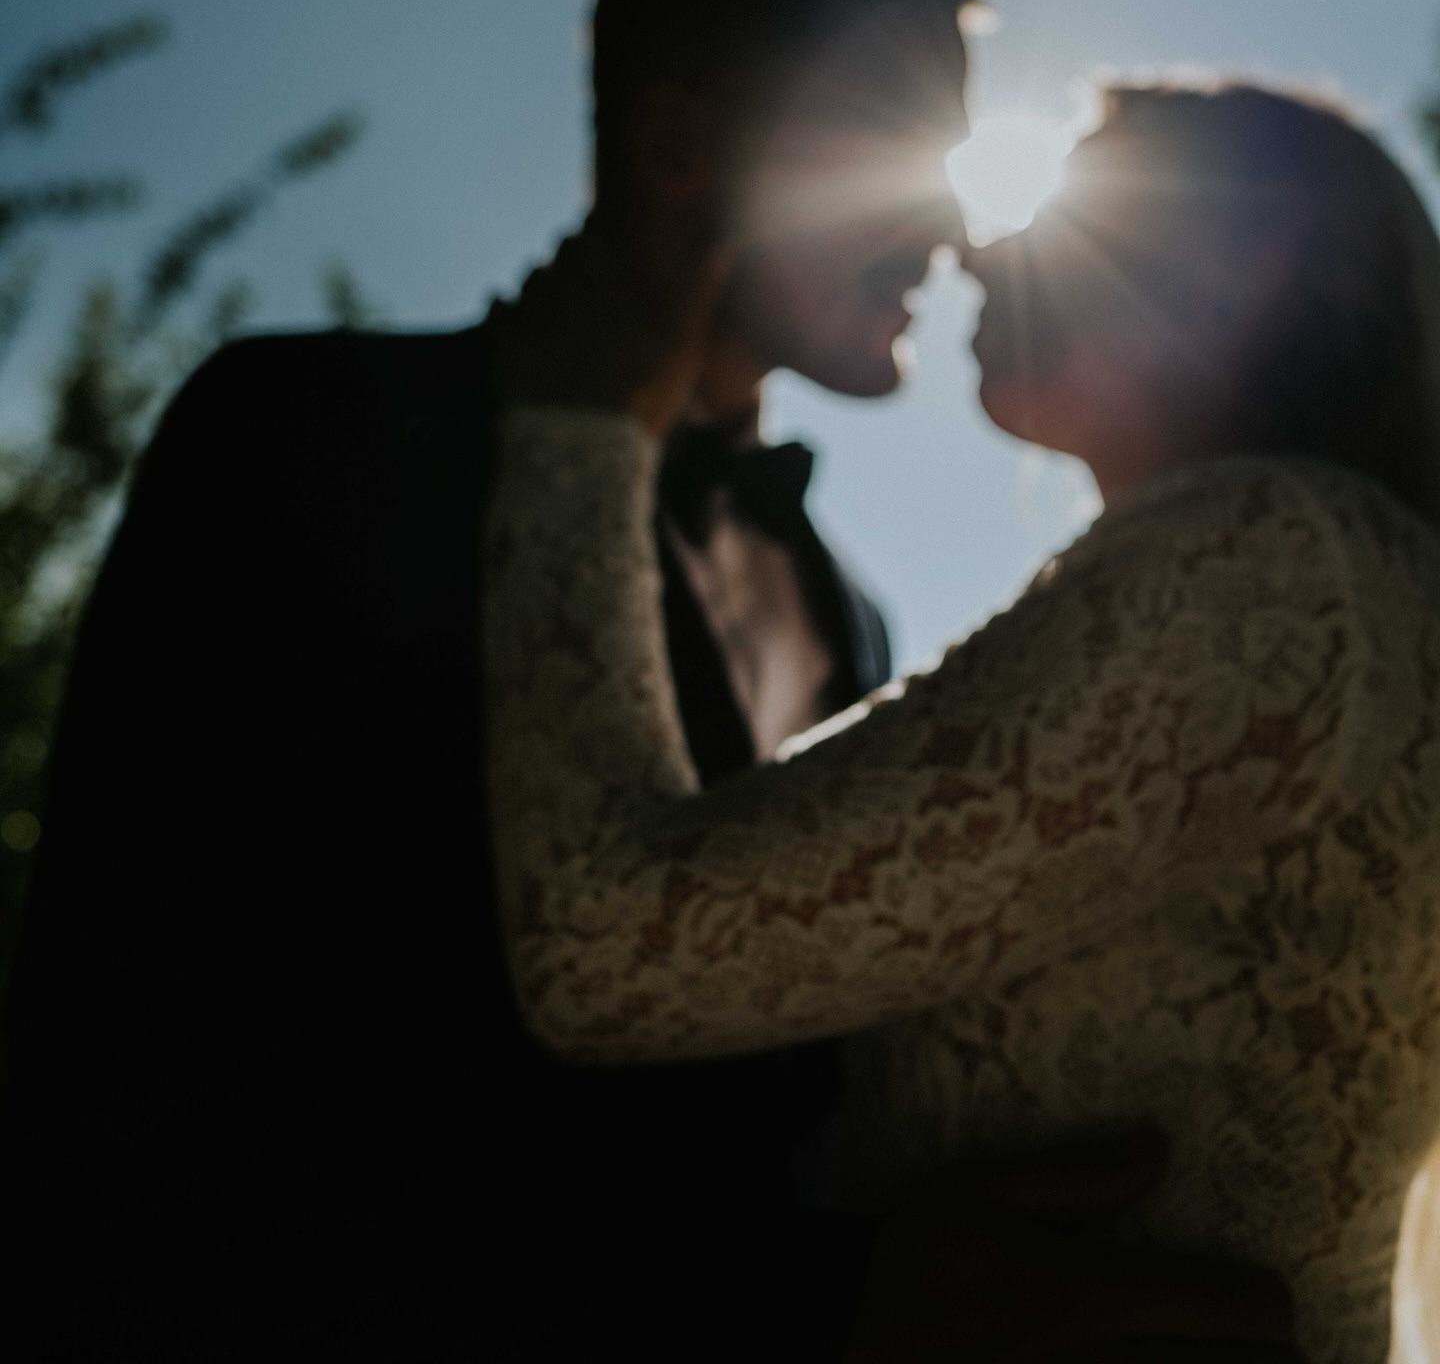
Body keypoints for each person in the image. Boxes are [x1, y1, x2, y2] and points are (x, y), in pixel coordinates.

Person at [1, 0, 1293, 1362]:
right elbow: (133, 1084)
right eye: (900, 148)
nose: (952, 221)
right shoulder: (305, 438)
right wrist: (803, 1299)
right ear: (683, 148)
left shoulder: (848, 613)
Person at [483, 78, 1440, 1363]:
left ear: (1259, 257)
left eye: (1077, 197)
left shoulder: (1264, 568)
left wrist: (576, 433)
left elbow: (598, 945)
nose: (984, 247)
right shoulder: (1311, 586)